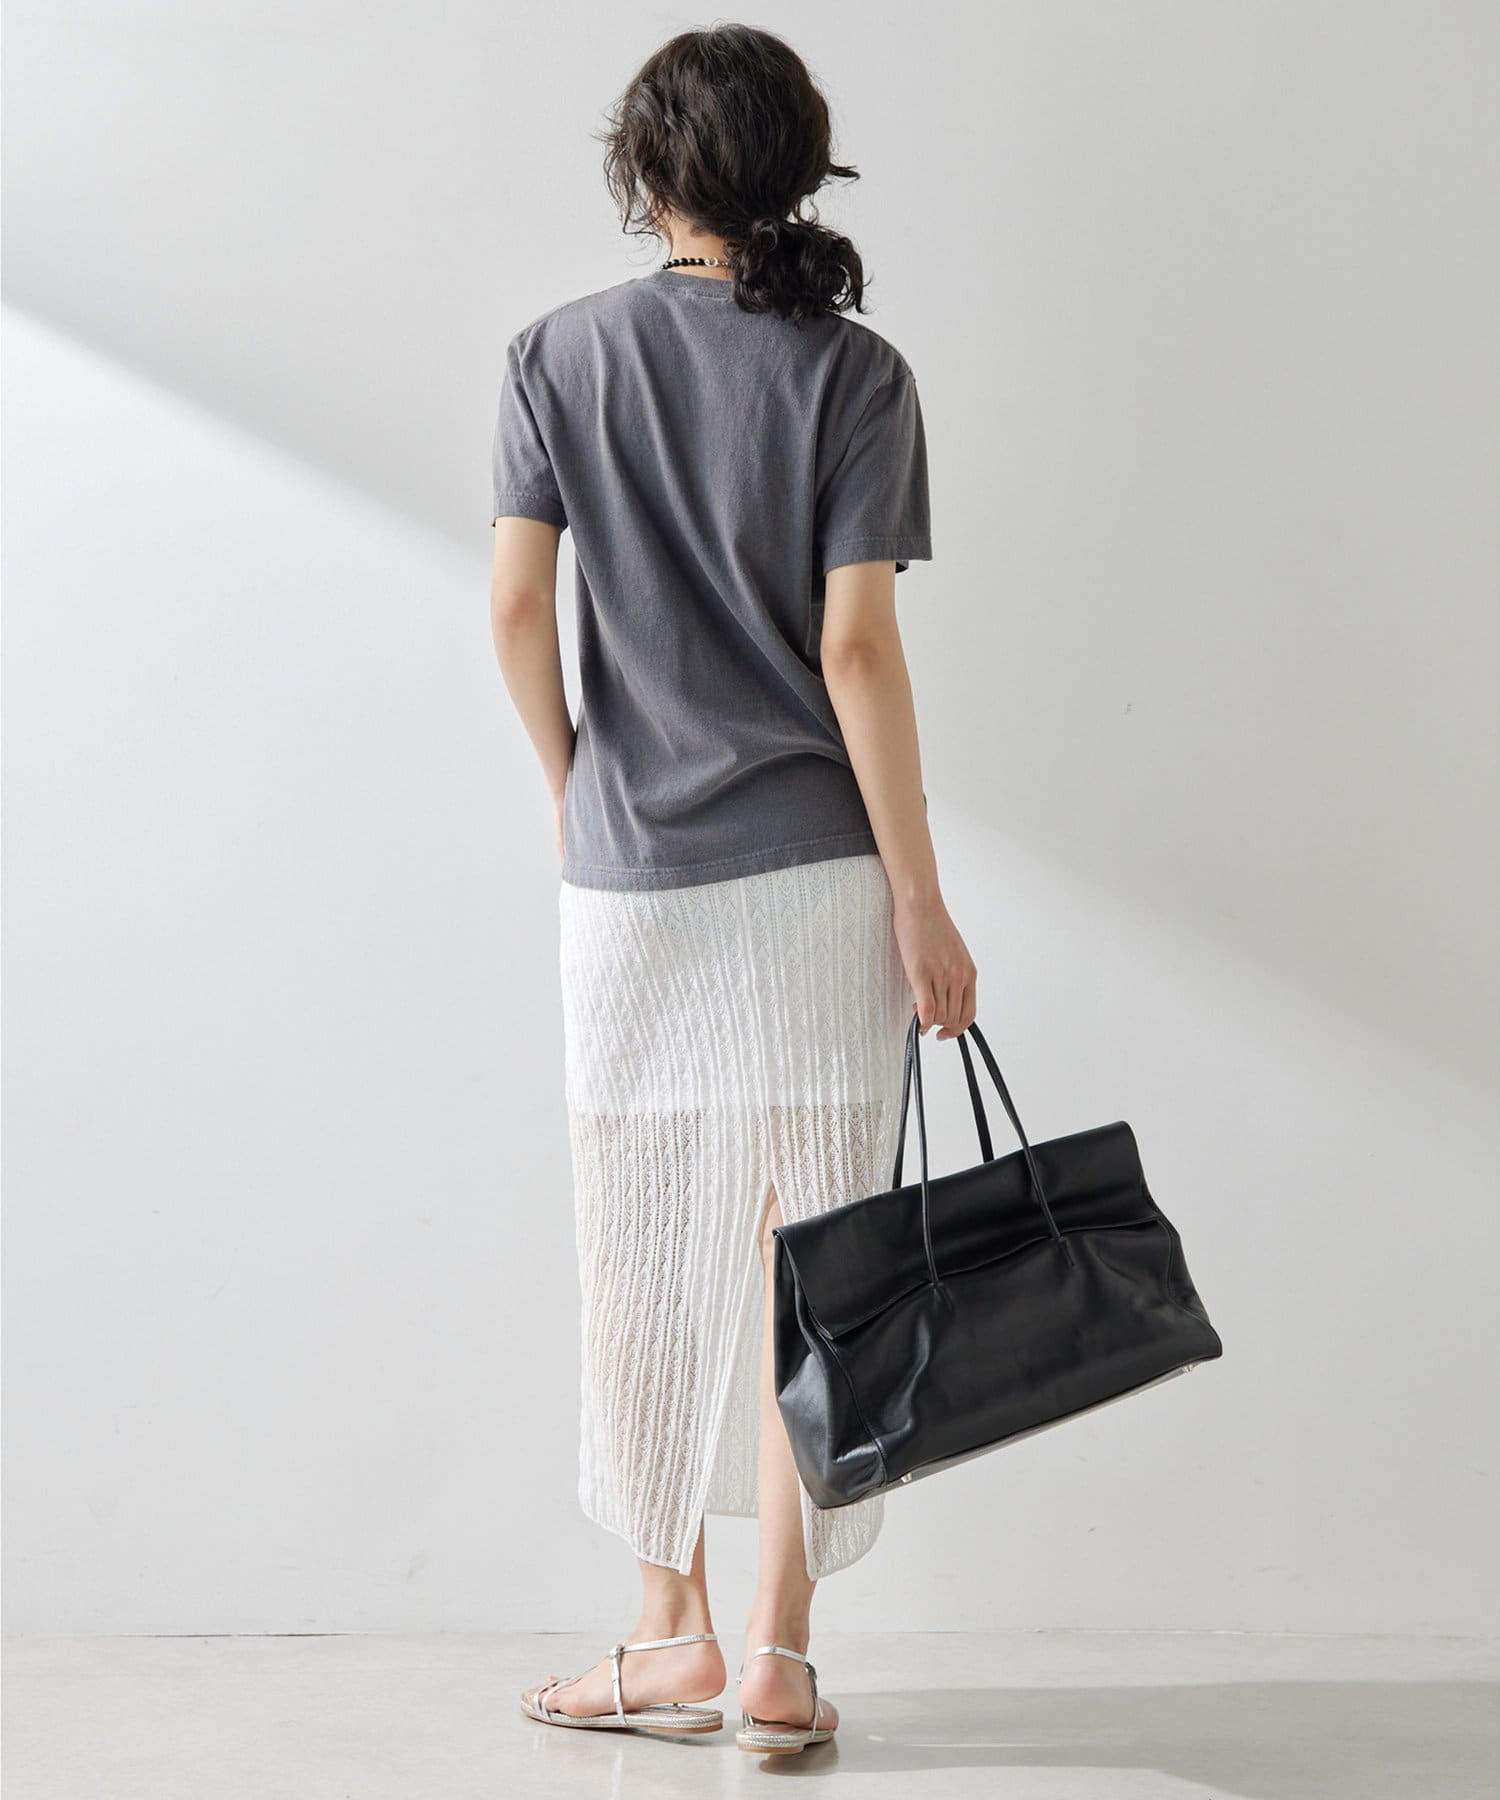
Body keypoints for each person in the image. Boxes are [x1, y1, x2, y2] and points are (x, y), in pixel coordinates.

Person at [488, 23, 976, 1756]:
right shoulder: (862, 374)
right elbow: (859, 651)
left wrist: (575, 785)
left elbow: (515, 610)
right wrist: (920, 897)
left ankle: (666, 1632)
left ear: (645, 173)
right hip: (821, 876)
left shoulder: (557, 355)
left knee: (638, 1238)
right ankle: (778, 1657)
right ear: (797, 169)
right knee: (817, 1254)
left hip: (631, 881)